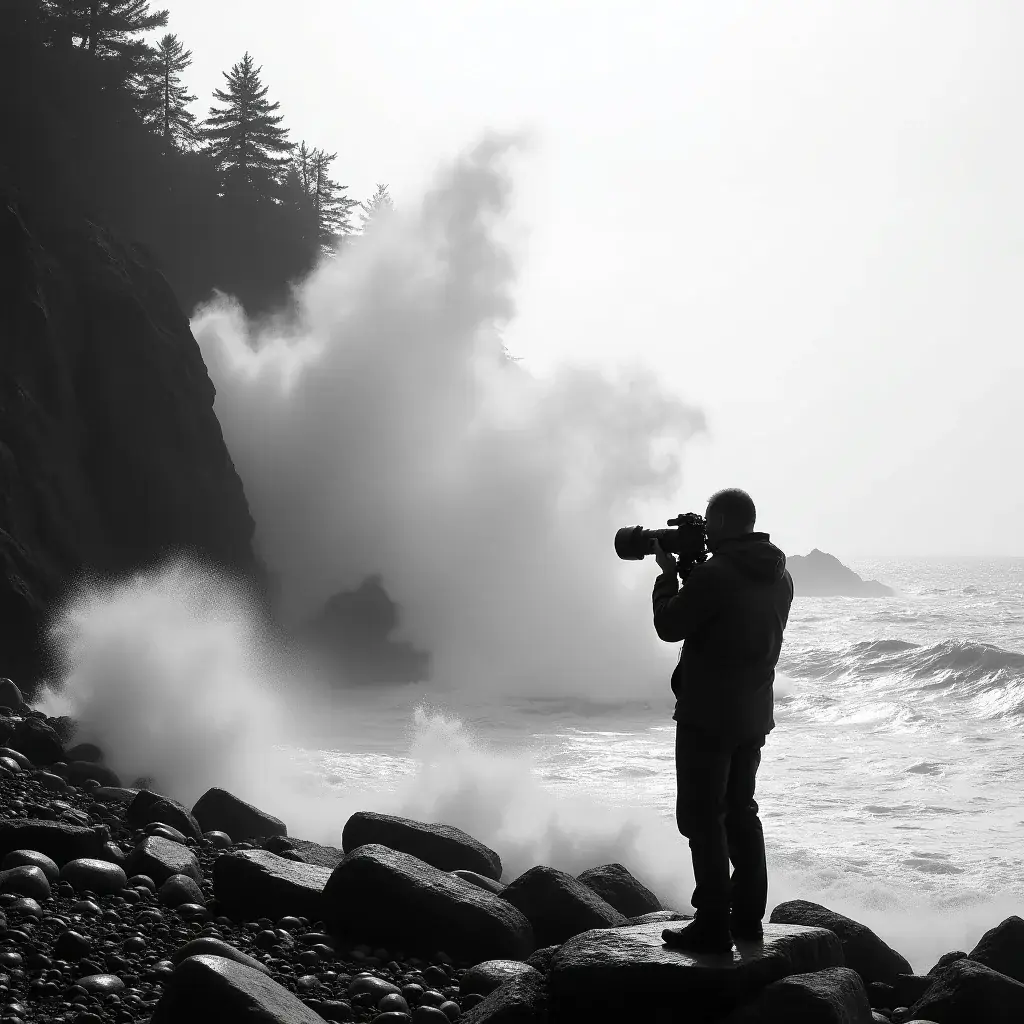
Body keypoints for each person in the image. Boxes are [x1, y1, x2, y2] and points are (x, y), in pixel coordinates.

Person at [651, 487, 794, 955]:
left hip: (707, 715)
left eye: (709, 524)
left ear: (727, 524)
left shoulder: (716, 573)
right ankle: (748, 919)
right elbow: (730, 623)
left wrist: (669, 578)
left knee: (701, 817)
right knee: (739, 812)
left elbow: (671, 625)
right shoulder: (779, 575)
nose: (704, 532)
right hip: (752, 713)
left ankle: (712, 922)